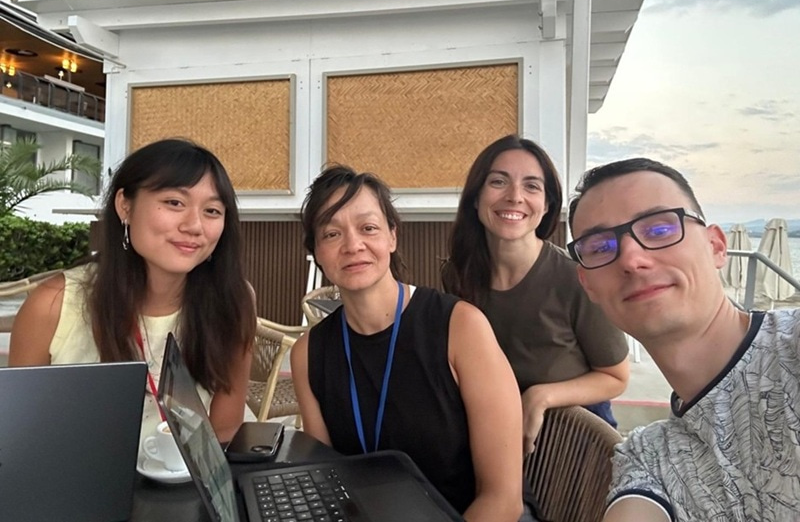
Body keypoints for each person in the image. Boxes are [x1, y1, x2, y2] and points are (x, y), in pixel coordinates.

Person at [567, 157, 800, 522]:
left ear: (716, 247)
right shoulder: (649, 459)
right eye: (600, 247)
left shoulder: (793, 346)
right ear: (587, 285)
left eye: (659, 230)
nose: (631, 258)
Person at [291, 165, 525, 522]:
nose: (353, 245)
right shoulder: (309, 353)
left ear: (392, 237)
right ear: (317, 253)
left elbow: (503, 500)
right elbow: (326, 480)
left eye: (368, 228)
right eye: (332, 234)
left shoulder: (460, 327)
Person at [9, 138, 255, 445]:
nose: (195, 225)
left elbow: (223, 432)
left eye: (212, 210)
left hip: (185, 486)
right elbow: (18, 434)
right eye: (174, 203)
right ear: (125, 205)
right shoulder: (53, 306)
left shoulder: (232, 302)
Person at [442, 134, 629, 453]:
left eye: (531, 186)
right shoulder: (458, 275)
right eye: (498, 182)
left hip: (574, 448)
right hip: (491, 440)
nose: (514, 196)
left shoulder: (577, 277)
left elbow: (615, 376)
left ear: (546, 207)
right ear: (476, 197)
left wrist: (540, 396)